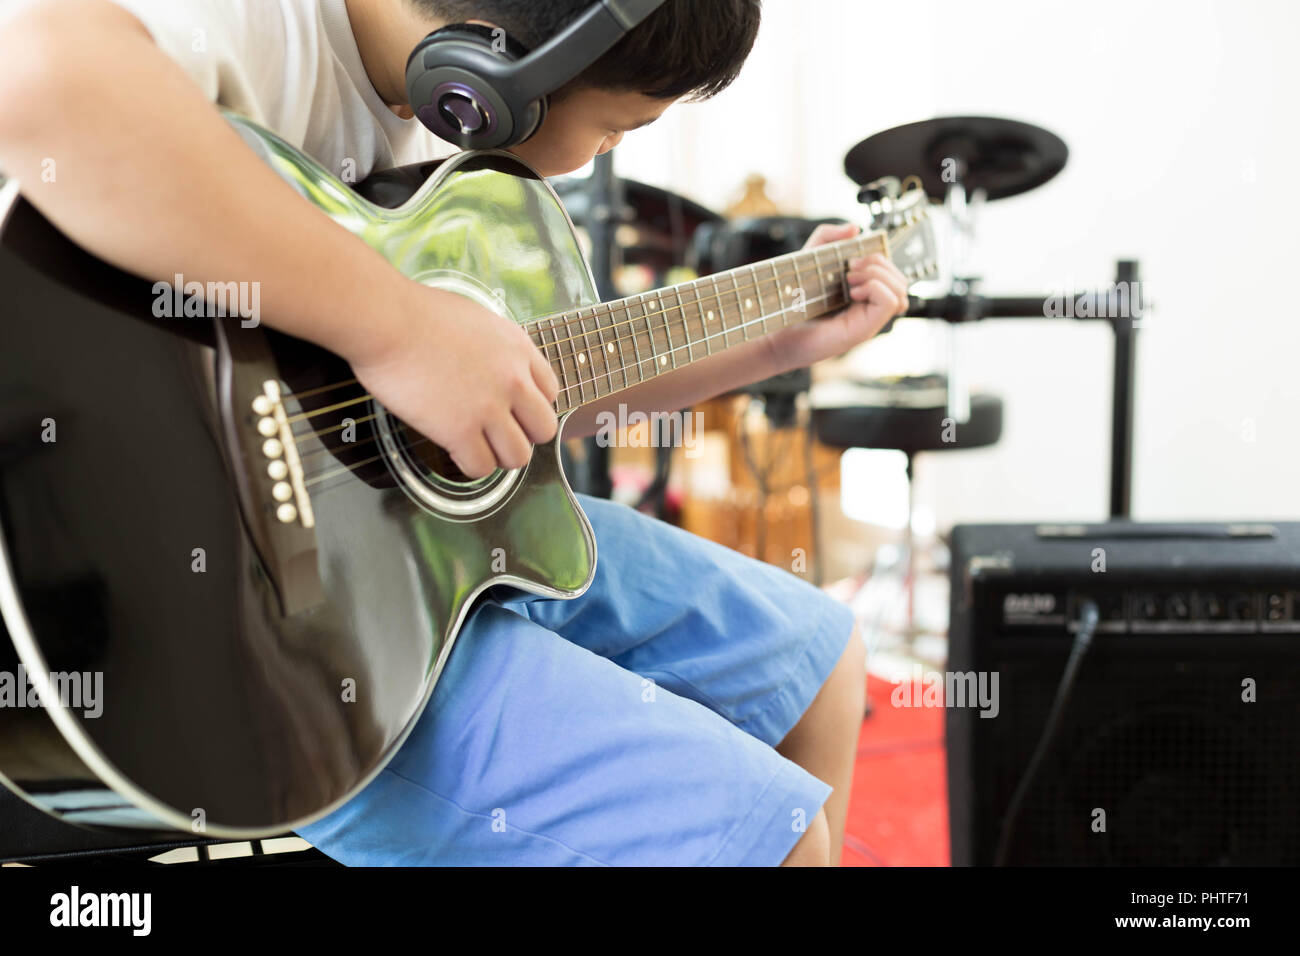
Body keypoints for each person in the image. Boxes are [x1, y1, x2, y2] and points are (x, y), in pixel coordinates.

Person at [0, 0, 910, 865]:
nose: (604, 159)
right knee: (772, 839)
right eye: (615, 129)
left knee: (822, 664)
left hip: (404, 548)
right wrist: (393, 326)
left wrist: (771, 342)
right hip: (238, 629)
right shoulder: (262, 21)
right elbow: (36, 77)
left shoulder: (419, 115)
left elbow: (511, 398)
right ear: (497, 69)